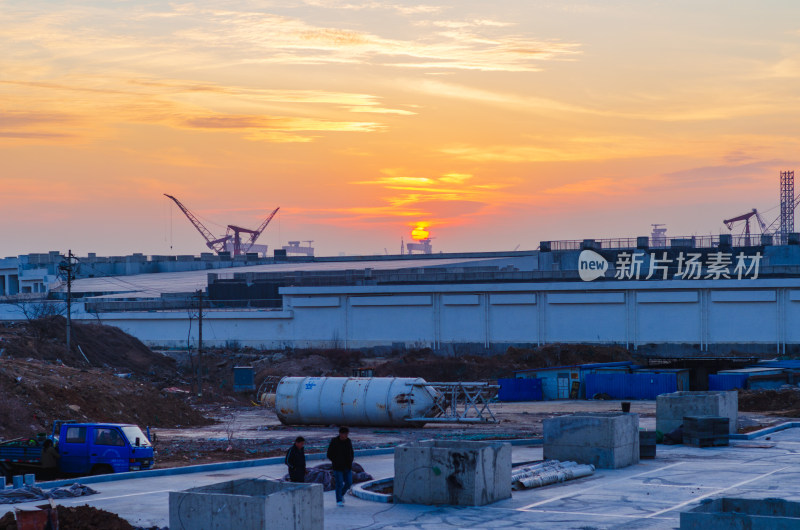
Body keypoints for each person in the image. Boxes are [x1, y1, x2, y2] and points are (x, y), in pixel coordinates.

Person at [326, 426, 354, 507]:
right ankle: (339, 500)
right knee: (339, 483)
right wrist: (335, 461)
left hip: (347, 466)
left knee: (349, 482)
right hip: (337, 467)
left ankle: (341, 494)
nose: (346, 436)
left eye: (347, 434)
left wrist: (350, 460)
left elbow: (351, 452)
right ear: (341, 434)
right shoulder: (334, 441)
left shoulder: (348, 441)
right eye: (345, 434)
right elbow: (329, 454)